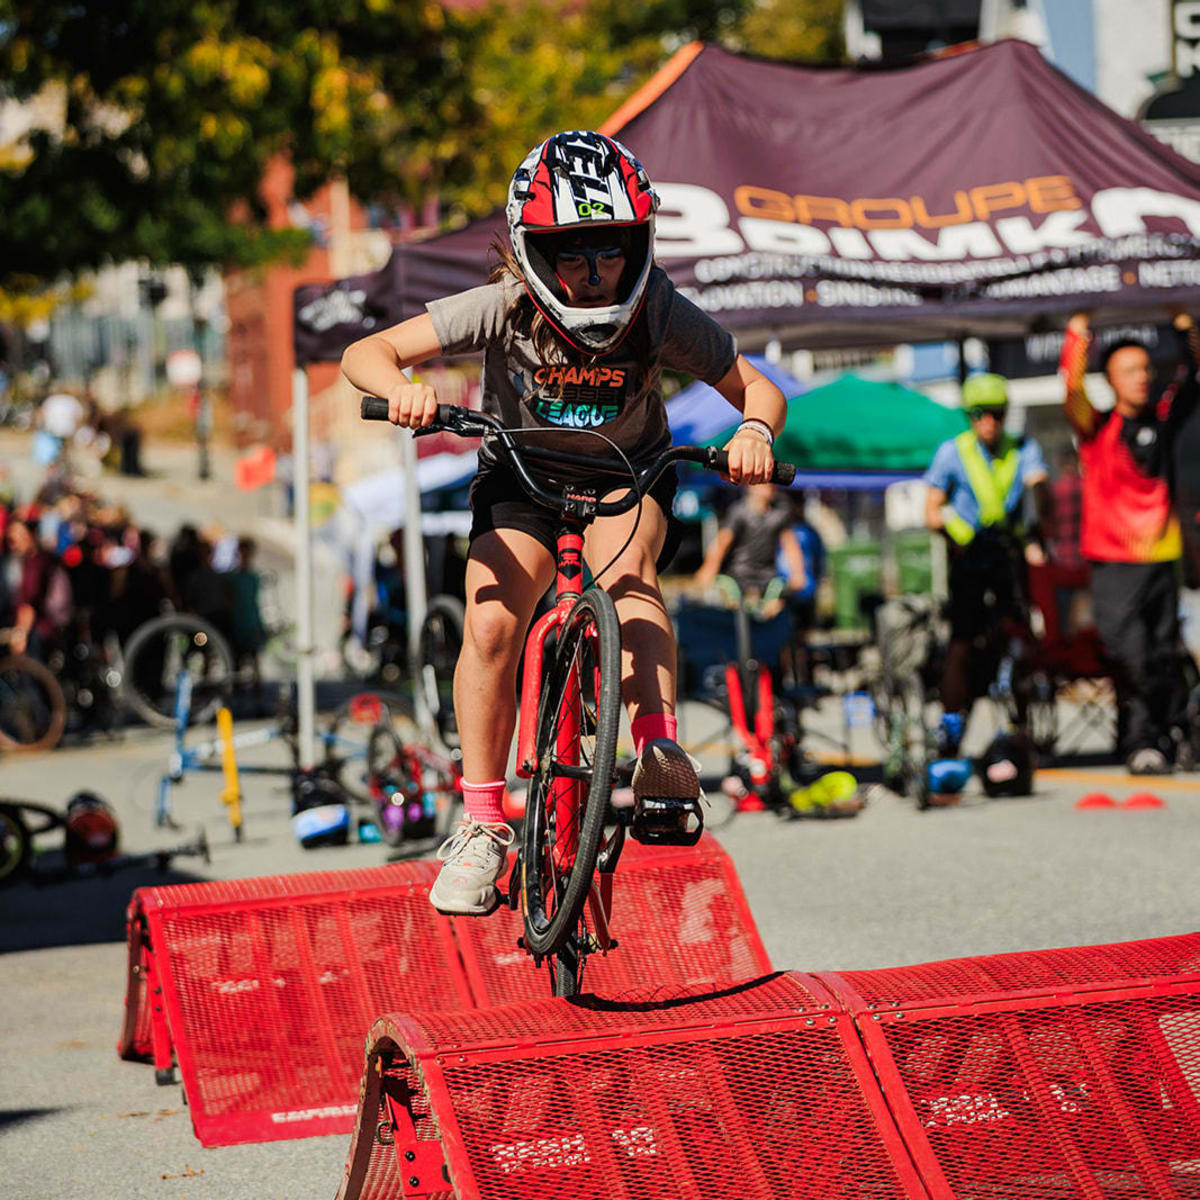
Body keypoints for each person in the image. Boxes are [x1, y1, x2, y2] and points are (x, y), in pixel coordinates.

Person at [341, 130, 785, 915]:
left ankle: (656, 750)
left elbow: (755, 387)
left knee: (628, 578)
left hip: (626, 476)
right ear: (532, 253)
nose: (590, 274)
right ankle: (482, 824)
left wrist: (754, 432)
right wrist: (400, 388)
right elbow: (368, 352)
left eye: (608, 252)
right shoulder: (502, 305)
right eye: (569, 254)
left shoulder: (658, 310)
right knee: (490, 623)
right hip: (520, 476)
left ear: (637, 245)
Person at [1060, 311, 1193, 774]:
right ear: (1112, 380)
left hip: (1163, 556)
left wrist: (1182, 330)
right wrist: (1078, 334)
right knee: (1130, 654)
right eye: (1130, 371)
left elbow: (1189, 373)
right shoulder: (1096, 428)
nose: (1142, 378)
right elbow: (1072, 390)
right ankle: (1139, 739)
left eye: (1145, 369)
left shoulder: (1164, 417)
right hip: (1114, 563)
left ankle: (1162, 737)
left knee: (1163, 655)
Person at [924, 372, 1051, 770]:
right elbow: (931, 509)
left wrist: (1035, 531)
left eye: (996, 413)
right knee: (962, 643)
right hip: (966, 558)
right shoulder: (952, 452)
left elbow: (1037, 490)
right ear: (969, 415)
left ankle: (1020, 729)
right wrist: (954, 533)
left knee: (1017, 639)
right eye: (980, 414)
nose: (989, 422)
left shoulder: (1023, 448)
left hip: (1008, 557)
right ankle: (950, 732)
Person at [693, 483, 806, 610]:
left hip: (767, 577)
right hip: (738, 575)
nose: (768, 487)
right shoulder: (738, 512)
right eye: (763, 484)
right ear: (750, 486)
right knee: (735, 611)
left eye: (771, 484)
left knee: (776, 608)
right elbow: (723, 541)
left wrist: (798, 572)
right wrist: (709, 569)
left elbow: (790, 544)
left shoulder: (780, 514)